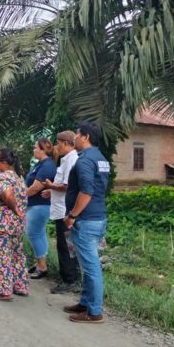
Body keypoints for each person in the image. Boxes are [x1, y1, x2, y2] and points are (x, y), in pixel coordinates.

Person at [63, 121, 110, 323]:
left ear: (86, 137)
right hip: (98, 217)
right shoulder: (101, 158)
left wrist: (73, 215)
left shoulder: (84, 160)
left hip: (86, 220)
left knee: (91, 267)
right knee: (87, 265)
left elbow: (87, 191)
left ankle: (94, 311)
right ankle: (85, 303)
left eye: (78, 135)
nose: (75, 138)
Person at [41, 131, 81, 293]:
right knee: (67, 245)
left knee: (65, 246)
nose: (57, 147)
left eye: (58, 143)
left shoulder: (71, 160)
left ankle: (69, 280)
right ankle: (70, 277)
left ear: (65, 143)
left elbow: (67, 186)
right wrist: (52, 191)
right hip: (61, 208)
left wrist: (51, 186)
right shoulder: (68, 159)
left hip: (65, 211)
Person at [0, 148, 28, 301]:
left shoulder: (2, 178)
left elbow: (7, 195)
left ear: (3, 162)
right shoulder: (18, 178)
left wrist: (14, 208)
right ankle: (20, 286)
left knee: (1, 256)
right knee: (16, 255)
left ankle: (5, 291)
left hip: (2, 225)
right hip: (16, 226)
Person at [25, 138, 57, 279]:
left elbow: (35, 188)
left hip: (39, 205)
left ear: (42, 149)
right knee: (39, 234)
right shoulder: (41, 164)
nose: (33, 149)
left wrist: (20, 196)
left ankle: (42, 267)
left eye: (35, 147)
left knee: (34, 234)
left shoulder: (47, 165)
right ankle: (39, 263)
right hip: (35, 205)